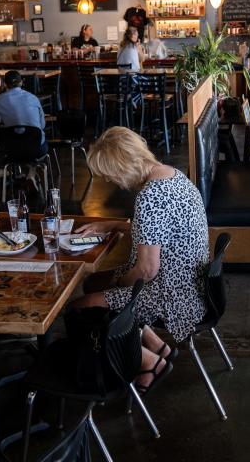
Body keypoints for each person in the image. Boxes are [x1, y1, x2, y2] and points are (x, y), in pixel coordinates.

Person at [74, 127, 210, 392]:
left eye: (110, 175)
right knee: (94, 284)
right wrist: (112, 224)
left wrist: (118, 283)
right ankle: (156, 345)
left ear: (122, 166)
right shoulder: (172, 175)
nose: (112, 182)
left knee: (83, 305)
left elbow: (147, 271)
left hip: (174, 295)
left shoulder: (151, 196)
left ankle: (147, 362)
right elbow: (158, 231)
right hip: (195, 283)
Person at [0, 70, 47, 153]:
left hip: (12, 150)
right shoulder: (33, 98)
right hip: (38, 148)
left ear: (4, 84)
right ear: (21, 83)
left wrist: (0, 120)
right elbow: (42, 125)